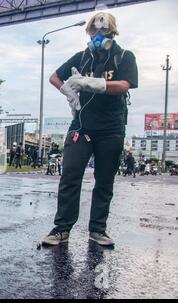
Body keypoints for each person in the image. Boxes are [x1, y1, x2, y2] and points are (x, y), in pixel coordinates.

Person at [42, 12, 138, 247]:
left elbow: (125, 85)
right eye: (93, 31)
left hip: (111, 128)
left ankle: (97, 229)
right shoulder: (81, 57)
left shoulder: (123, 56)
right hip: (81, 126)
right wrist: (68, 90)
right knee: (70, 174)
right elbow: (54, 77)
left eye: (103, 31)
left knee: (104, 180)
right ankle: (62, 228)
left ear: (112, 32)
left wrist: (97, 84)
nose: (97, 35)